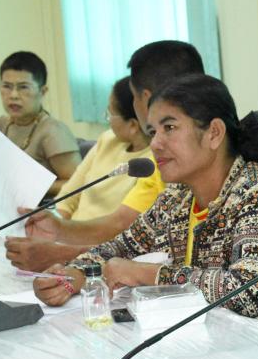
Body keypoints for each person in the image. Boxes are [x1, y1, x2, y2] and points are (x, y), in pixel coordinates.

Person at [33, 74, 258, 349]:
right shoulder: (178, 197)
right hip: (219, 349)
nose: (156, 144)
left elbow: (248, 292)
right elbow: (119, 248)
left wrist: (148, 274)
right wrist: (76, 274)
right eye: (152, 131)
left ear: (214, 133)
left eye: (169, 128)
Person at [19, 40, 203, 249]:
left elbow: (132, 238)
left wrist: (61, 250)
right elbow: (124, 227)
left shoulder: (175, 160)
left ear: (146, 99)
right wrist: (58, 230)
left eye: (134, 97)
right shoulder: (160, 154)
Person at [3, 77, 153, 272]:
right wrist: (49, 232)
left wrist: (60, 244)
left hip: (100, 253)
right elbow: (69, 196)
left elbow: (121, 227)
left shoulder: (151, 163)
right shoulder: (107, 140)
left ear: (133, 125)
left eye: (110, 114)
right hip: (63, 240)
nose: (107, 119)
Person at [0, 52, 80, 196]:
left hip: (39, 207)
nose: (13, 95)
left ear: (43, 91)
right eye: (6, 86)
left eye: (23, 87)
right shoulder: (1, 125)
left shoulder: (53, 131)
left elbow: (80, 185)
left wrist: (29, 187)